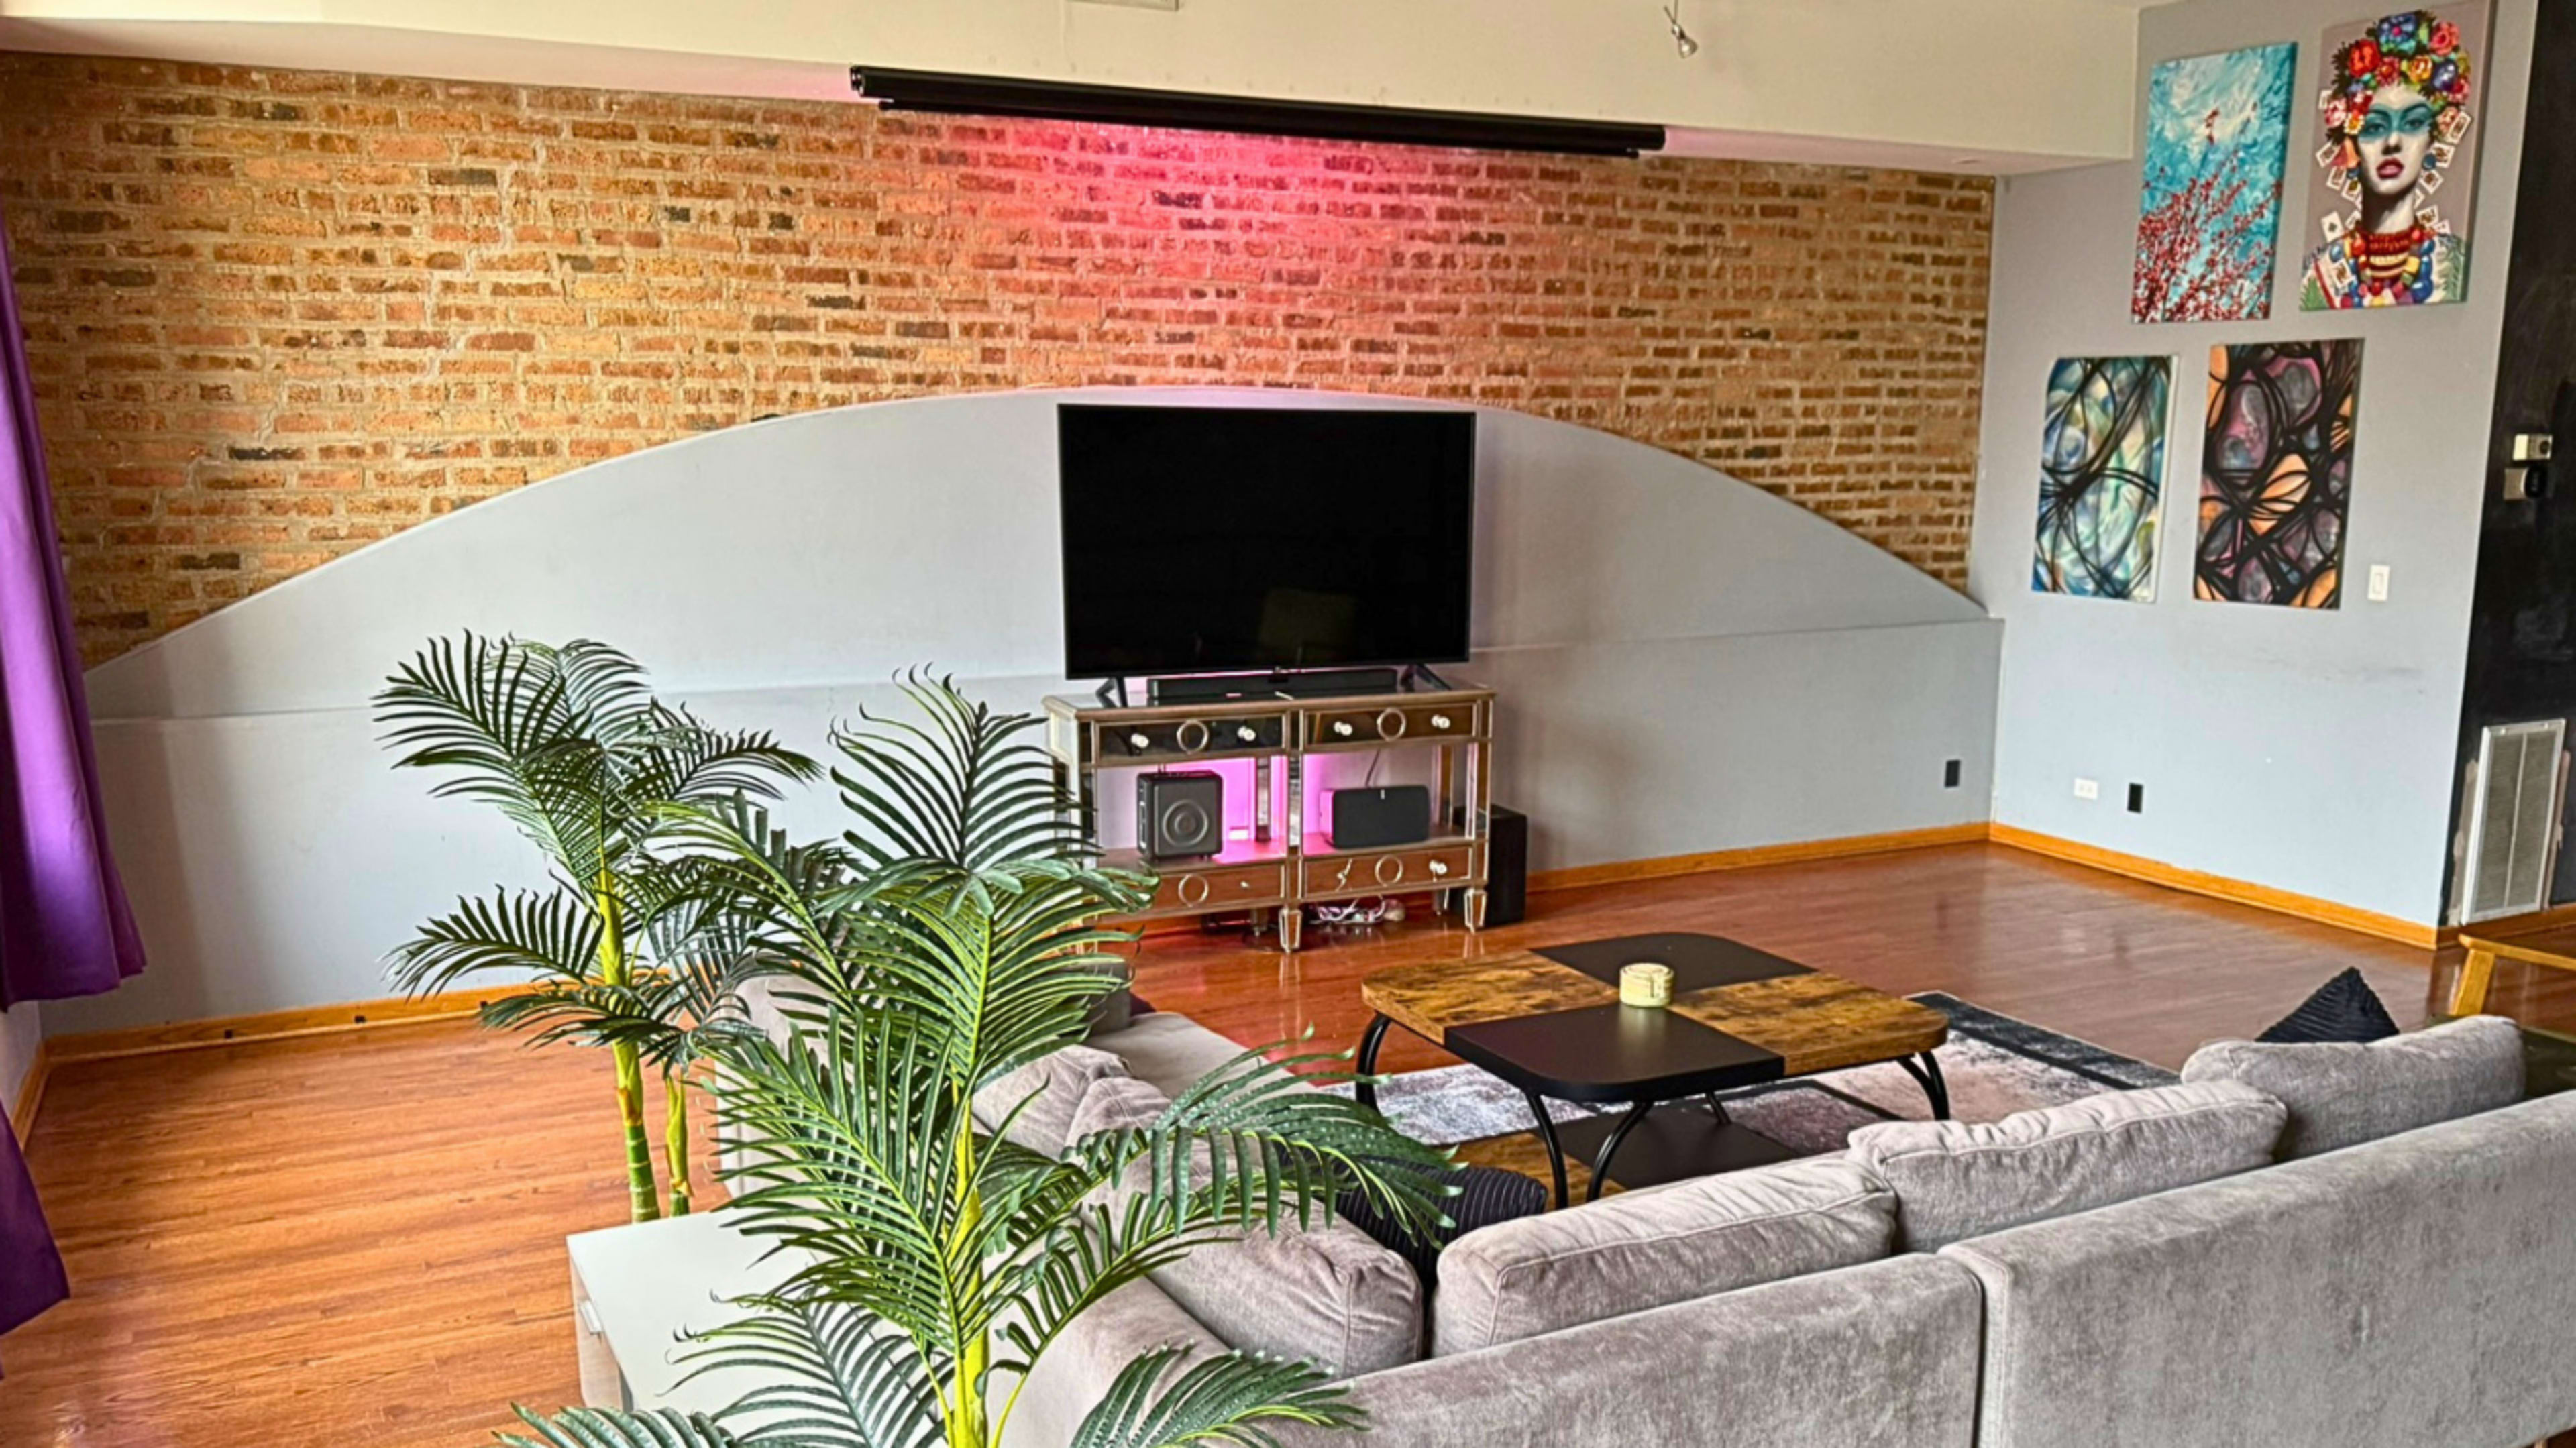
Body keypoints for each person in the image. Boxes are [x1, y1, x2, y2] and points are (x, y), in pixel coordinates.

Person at [2300, 9, 2474, 309]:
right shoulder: (2316, 276)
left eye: (2413, 123)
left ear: (2433, 139)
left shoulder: (2458, 264)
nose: (2393, 142)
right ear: (2351, 145)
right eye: (2375, 127)